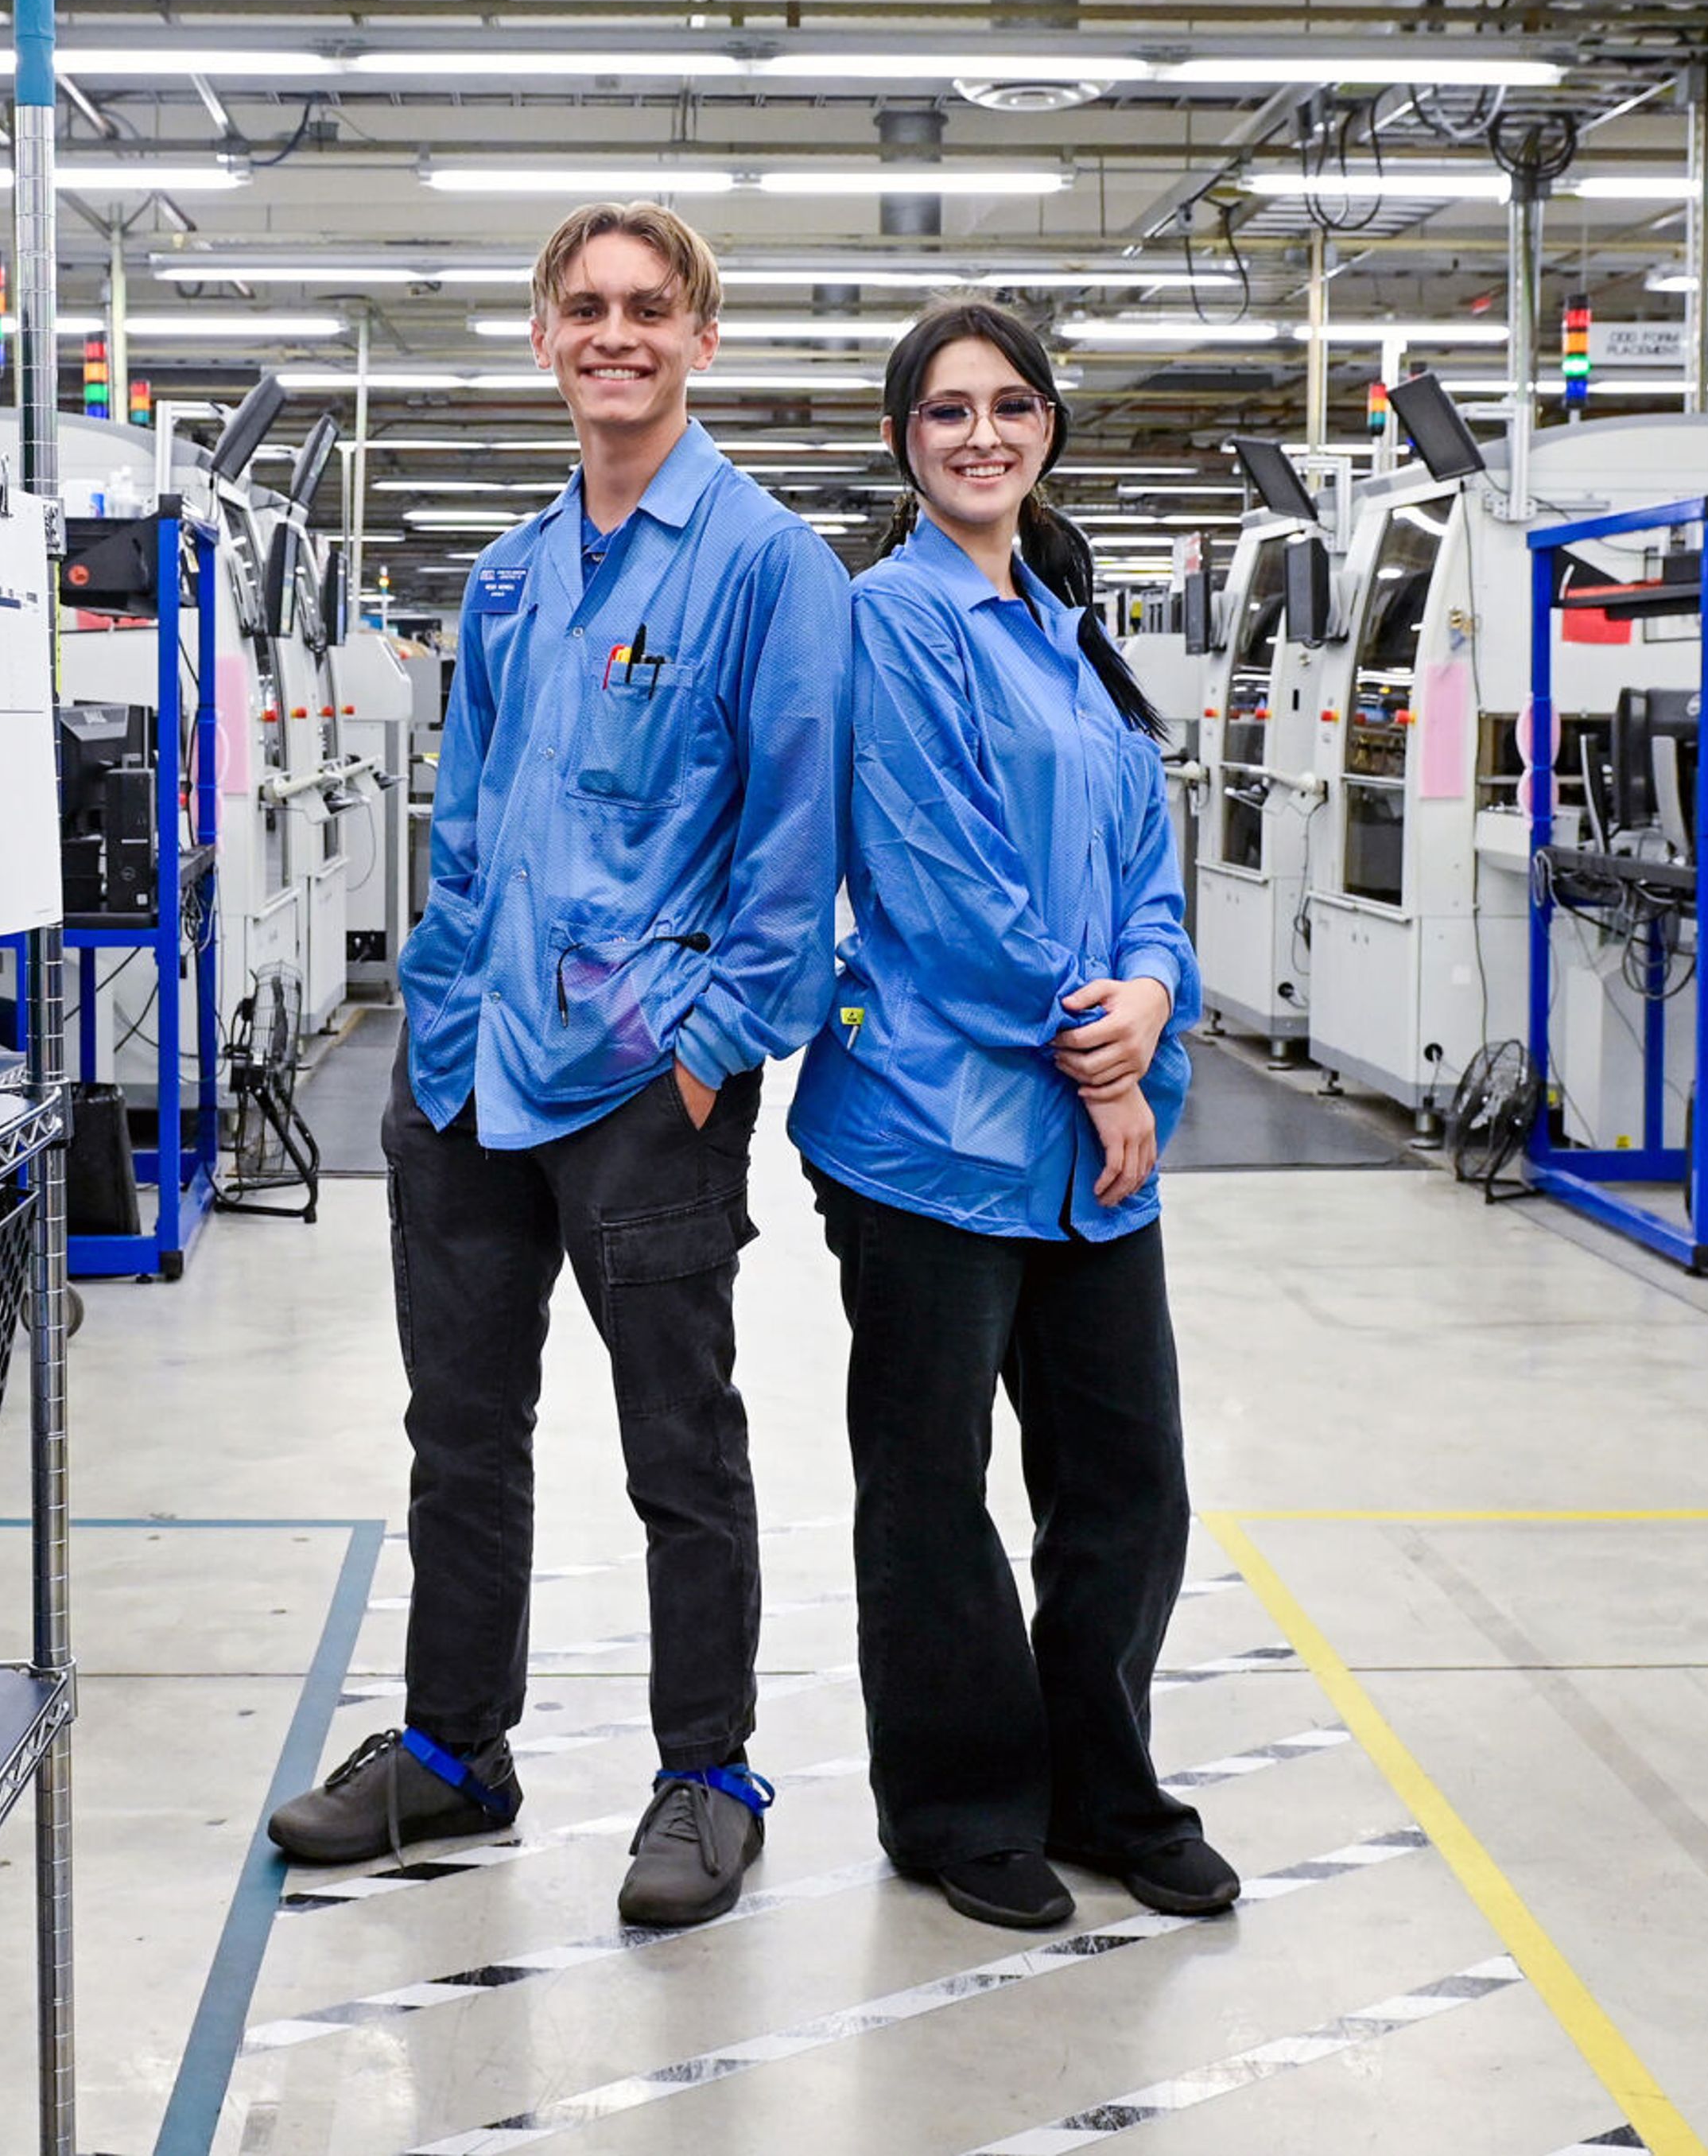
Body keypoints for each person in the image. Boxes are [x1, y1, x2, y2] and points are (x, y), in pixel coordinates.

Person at [264, 201, 851, 1929]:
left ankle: (709, 1769)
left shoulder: (766, 566)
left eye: (648, 309)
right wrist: (430, 1004)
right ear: (542, 336)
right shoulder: (511, 572)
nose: (616, 334)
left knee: (680, 1440)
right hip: (463, 1073)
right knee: (461, 1432)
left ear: (698, 339)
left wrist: (708, 1048)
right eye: (585, 307)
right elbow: (473, 819)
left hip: (635, 1086)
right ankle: (455, 1750)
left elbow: (795, 847)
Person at [787, 299, 1238, 1932]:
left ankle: (1102, 1784)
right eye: (947, 411)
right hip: (933, 1129)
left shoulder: (1062, 621)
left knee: (1128, 1477)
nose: (982, 434)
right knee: (931, 1484)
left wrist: (1152, 995)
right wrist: (1098, 1049)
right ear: (905, 442)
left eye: (1011, 405)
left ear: (1049, 429)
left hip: (1087, 1141)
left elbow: (1145, 860)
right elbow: (938, 880)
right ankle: (962, 1802)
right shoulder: (885, 622)